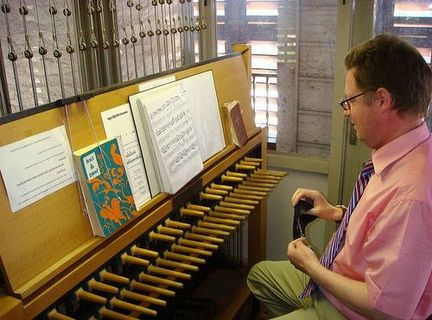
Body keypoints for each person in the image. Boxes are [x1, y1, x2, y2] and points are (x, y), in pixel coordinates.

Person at [247, 34, 432, 320]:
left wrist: (314, 269)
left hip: (355, 311)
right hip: (338, 280)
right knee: (259, 276)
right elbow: (386, 227)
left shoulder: (413, 193)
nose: (346, 112)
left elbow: (386, 310)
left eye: (350, 100)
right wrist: (337, 213)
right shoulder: (405, 150)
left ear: (382, 99)